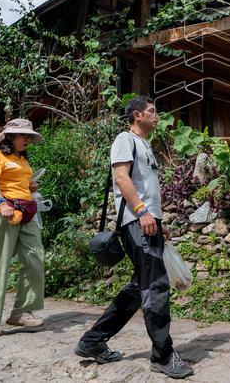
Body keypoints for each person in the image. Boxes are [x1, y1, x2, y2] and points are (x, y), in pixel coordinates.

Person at [74, 96, 194, 379]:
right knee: (155, 286)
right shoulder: (124, 140)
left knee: (139, 286)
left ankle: (92, 341)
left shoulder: (145, 145)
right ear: (137, 115)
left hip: (148, 223)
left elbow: (146, 188)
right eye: (153, 111)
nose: (157, 115)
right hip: (137, 222)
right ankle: (162, 356)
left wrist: (157, 219)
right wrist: (142, 212)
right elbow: (122, 179)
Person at [0, 119, 45, 338]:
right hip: (1, 212)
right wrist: (1, 203)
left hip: (26, 212)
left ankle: (21, 313)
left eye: (29, 136)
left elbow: (20, 183)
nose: (28, 140)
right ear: (10, 136)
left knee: (35, 257)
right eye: (24, 135)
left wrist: (30, 186)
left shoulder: (22, 159)